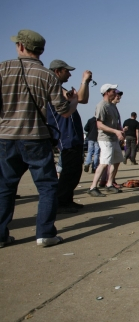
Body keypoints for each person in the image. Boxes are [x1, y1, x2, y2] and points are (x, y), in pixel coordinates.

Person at [0, 29, 77, 248]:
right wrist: (73, 101)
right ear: (40, 50)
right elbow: (63, 111)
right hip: (36, 137)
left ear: (22, 47)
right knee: (47, 186)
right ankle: (44, 233)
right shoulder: (47, 75)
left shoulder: (3, 68)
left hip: (6, 136)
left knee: (5, 187)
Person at [46, 59, 92, 214]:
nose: (69, 74)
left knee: (73, 170)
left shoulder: (60, 89)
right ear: (58, 71)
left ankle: (66, 200)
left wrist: (84, 84)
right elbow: (78, 99)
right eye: (67, 71)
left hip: (72, 135)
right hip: (65, 135)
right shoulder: (52, 89)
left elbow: (81, 99)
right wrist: (84, 81)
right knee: (69, 170)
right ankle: (62, 202)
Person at [87, 84, 125, 196]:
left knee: (117, 160)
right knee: (104, 162)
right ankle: (93, 186)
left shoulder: (112, 105)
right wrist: (116, 131)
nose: (115, 92)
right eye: (113, 90)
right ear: (107, 92)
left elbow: (116, 123)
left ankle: (109, 184)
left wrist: (120, 131)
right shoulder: (101, 105)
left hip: (113, 138)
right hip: (105, 139)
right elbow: (99, 125)